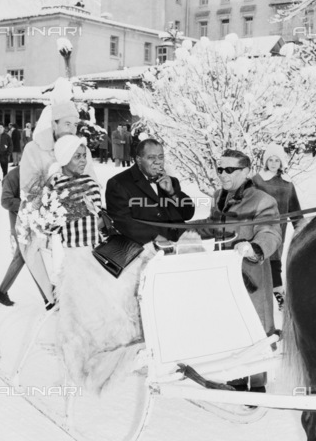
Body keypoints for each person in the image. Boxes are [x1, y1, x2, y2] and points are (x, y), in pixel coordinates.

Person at [50, 134, 155, 393]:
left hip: (99, 248)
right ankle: (101, 350)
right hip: (76, 253)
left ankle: (138, 341)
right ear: (64, 159)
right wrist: (81, 217)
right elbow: (54, 223)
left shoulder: (91, 183)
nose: (82, 160)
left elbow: (100, 218)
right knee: (95, 295)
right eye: (77, 156)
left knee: (136, 270)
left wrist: (105, 220)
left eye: (84, 155)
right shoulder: (55, 186)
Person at [208, 149, 281, 393]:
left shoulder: (263, 200)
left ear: (246, 171)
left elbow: (271, 232)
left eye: (230, 170)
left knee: (254, 328)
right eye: (220, 169)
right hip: (223, 276)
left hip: (251, 277)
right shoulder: (218, 196)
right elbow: (212, 228)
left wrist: (255, 248)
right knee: (230, 326)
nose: (223, 174)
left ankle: (257, 385)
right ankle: (235, 379)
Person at [19, 100, 98, 307]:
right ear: (54, 124)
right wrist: (54, 190)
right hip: (40, 211)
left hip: (77, 210)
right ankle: (51, 297)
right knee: (34, 247)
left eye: (75, 125)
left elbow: (92, 181)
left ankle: (76, 294)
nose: (72, 129)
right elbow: (28, 187)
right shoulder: (34, 149)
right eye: (67, 124)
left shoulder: (82, 148)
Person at [105, 138, 195, 245]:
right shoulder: (118, 183)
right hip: (146, 251)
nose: (158, 162)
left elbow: (188, 214)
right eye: (151, 157)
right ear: (138, 159)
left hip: (183, 246)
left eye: (161, 157)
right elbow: (123, 223)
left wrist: (172, 193)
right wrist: (157, 238)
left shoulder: (170, 181)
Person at [252, 144, 302, 309]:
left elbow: (294, 208)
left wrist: (301, 228)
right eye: (270, 160)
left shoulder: (287, 183)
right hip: (259, 225)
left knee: (275, 260)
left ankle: (278, 294)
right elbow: (248, 202)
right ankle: (256, 293)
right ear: (266, 162)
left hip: (279, 228)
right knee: (259, 257)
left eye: (277, 160)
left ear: (281, 163)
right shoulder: (258, 180)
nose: (273, 163)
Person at [0, 167, 48, 307]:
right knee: (29, 256)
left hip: (34, 222)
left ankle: (1, 293)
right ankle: (47, 297)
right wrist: (27, 205)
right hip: (18, 223)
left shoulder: (37, 174)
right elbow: (5, 201)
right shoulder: (12, 175)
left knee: (24, 256)